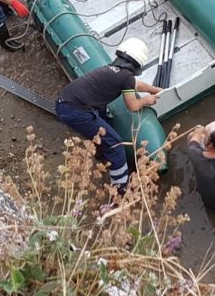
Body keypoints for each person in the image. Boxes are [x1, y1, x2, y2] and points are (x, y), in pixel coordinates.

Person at [55, 38, 163, 191]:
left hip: (65, 102)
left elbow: (134, 85)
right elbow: (133, 106)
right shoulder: (126, 77)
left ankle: (101, 154)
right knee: (116, 144)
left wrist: (152, 89)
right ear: (137, 64)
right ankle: (120, 188)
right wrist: (146, 100)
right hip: (77, 111)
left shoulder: (112, 70)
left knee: (102, 118)